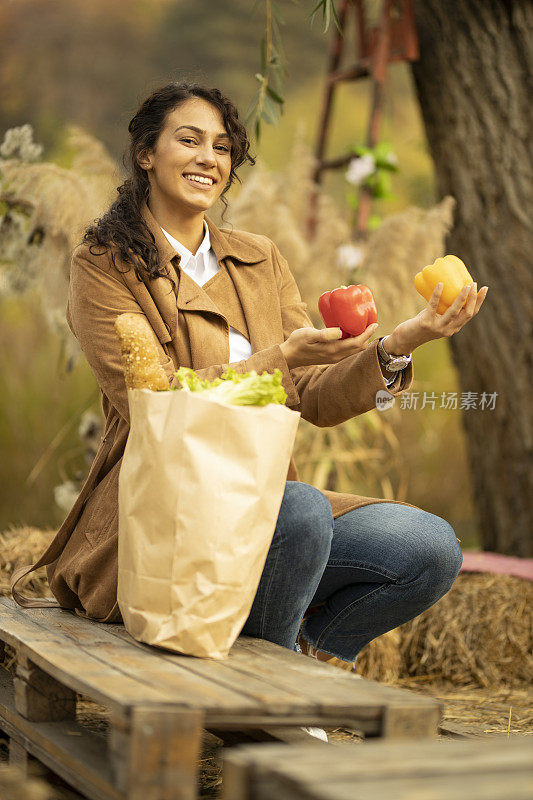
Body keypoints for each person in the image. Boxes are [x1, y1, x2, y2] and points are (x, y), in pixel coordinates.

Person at [13, 82, 488, 689]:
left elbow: (314, 394)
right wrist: (276, 358)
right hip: (160, 511)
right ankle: (271, 699)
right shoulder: (105, 266)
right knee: (299, 510)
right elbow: (155, 402)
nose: (208, 158)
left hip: (264, 497)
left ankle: (294, 664)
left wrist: (402, 340)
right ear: (146, 153)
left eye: (221, 146)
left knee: (428, 549)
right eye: (188, 140)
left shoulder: (260, 258)